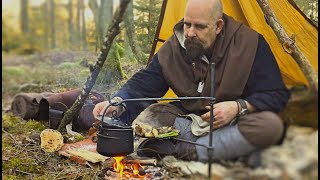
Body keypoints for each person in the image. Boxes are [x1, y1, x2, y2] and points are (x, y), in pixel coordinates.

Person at [93, 0, 290, 165]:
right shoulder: (173, 47)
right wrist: (117, 102)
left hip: (231, 123)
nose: (189, 33)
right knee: (151, 115)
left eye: (200, 27)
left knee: (270, 126)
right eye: (187, 24)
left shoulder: (250, 44)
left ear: (218, 26)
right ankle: (224, 150)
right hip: (189, 123)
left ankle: (185, 152)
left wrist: (237, 107)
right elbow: (144, 84)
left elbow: (276, 94)